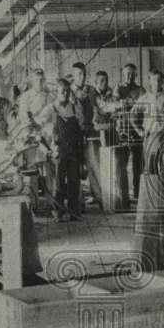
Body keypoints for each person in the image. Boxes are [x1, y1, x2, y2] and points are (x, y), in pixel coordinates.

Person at [33, 79, 85, 221]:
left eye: (68, 91)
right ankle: (58, 212)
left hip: (73, 151)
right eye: (63, 91)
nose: (66, 94)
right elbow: (37, 128)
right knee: (58, 184)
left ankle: (75, 212)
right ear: (56, 92)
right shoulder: (50, 109)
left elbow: (81, 128)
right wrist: (46, 149)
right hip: (58, 151)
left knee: (74, 182)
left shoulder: (75, 108)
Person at [69, 62, 103, 210]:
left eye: (84, 74)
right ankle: (79, 203)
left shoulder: (91, 91)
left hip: (90, 133)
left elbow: (98, 108)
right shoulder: (68, 91)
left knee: (95, 166)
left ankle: (102, 199)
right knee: (75, 170)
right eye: (79, 74)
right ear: (73, 75)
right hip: (75, 135)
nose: (82, 77)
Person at [113, 62, 145, 209]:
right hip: (123, 131)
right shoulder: (117, 89)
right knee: (122, 163)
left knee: (138, 163)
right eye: (127, 74)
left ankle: (138, 194)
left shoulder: (140, 90)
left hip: (137, 129)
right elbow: (115, 105)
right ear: (122, 74)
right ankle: (124, 196)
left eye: (132, 74)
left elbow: (143, 106)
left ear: (136, 75)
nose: (130, 76)